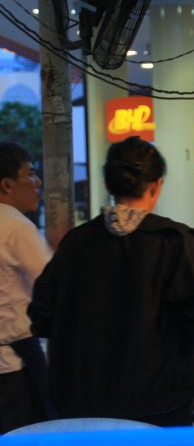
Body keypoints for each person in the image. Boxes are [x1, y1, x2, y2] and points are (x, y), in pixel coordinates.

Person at [28, 136, 194, 427]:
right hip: (158, 403)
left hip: (81, 405)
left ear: (109, 186)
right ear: (156, 185)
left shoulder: (75, 244)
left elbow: (41, 316)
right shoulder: (174, 242)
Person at [0, 142, 53, 433]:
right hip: (13, 366)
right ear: (7, 184)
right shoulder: (17, 227)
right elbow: (50, 288)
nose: (38, 182)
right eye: (30, 174)